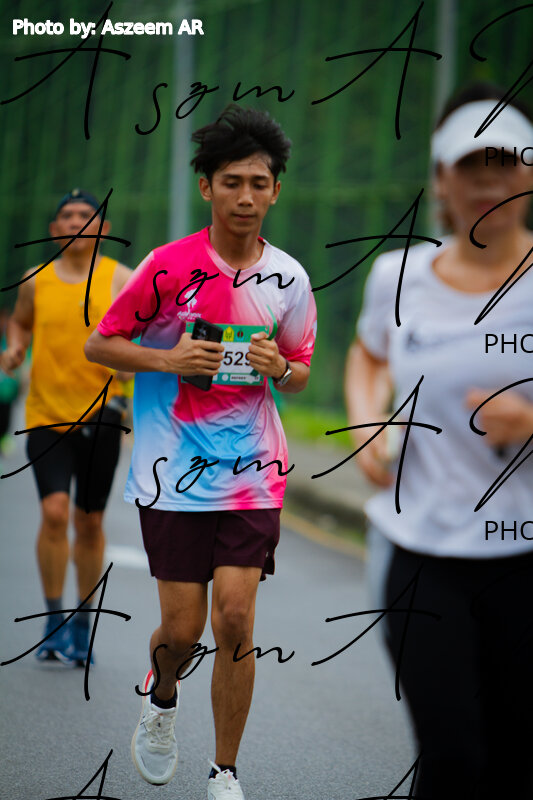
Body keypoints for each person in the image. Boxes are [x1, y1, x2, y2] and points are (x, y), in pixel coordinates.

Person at [84, 105, 317, 800]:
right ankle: (162, 698)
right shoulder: (167, 267)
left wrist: (279, 367)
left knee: (236, 617)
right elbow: (100, 344)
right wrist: (168, 359)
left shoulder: (289, 279)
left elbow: (301, 371)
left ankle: (225, 771)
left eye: (258, 183)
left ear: (275, 191)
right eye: (231, 182)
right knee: (183, 629)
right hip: (172, 470)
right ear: (206, 186)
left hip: (251, 473)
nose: (245, 196)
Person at [345, 82, 533, 799]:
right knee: (451, 757)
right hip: (422, 552)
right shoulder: (396, 276)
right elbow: (368, 355)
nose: (487, 180)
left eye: (504, 161)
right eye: (469, 164)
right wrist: (366, 420)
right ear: (440, 181)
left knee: (514, 761)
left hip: (523, 553)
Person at [1, 189, 131, 665]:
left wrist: (134, 366)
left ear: (103, 228)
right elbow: (21, 323)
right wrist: (16, 348)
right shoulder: (34, 280)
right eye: (67, 215)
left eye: (86, 215)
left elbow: (145, 332)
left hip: (104, 414)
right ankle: (53, 619)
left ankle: (82, 621)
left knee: (89, 522)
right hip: (47, 415)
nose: (76, 221)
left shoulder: (122, 279)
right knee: (54, 513)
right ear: (55, 230)